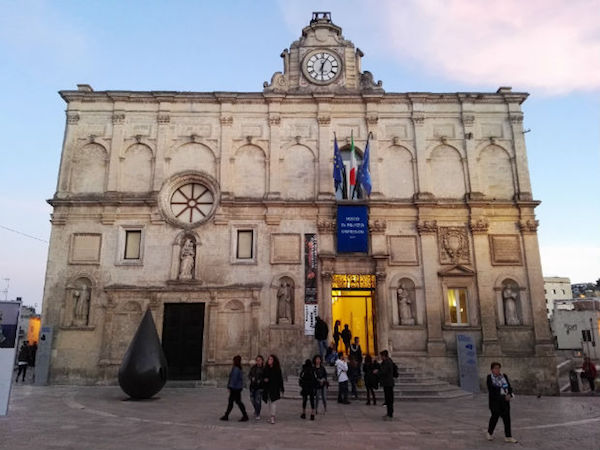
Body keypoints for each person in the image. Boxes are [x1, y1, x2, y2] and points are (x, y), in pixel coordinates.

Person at [486, 362, 518, 443]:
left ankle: (508, 436)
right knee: (494, 417)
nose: (497, 370)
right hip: (495, 401)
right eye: (495, 368)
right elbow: (491, 390)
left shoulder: (504, 376)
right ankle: (489, 433)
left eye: (498, 368)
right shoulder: (489, 378)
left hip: (505, 401)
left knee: (507, 419)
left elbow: (509, 387)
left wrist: (510, 394)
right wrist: (503, 395)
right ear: (492, 369)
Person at [220, 355, 249, 421]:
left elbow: (234, 379)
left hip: (235, 389)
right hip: (237, 388)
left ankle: (244, 415)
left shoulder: (236, 369)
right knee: (234, 402)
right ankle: (226, 415)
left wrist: (230, 387)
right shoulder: (239, 368)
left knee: (236, 402)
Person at [262, 354, 284, 424]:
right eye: (269, 359)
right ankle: (270, 416)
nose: (269, 360)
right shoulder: (266, 369)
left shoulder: (277, 369)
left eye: (271, 359)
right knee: (269, 402)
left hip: (274, 388)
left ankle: (272, 417)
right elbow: (263, 377)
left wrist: (281, 388)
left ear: (274, 361)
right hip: (267, 388)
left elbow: (280, 379)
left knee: (273, 402)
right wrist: (264, 380)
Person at [378, 350, 395, 420]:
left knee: (389, 399)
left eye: (381, 356)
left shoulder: (387, 362)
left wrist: (378, 371)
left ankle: (390, 414)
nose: (381, 357)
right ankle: (389, 413)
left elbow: (384, 371)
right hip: (388, 382)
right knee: (388, 399)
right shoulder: (389, 361)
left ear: (384, 356)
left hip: (388, 383)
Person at [248, 355, 265, 420]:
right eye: (257, 360)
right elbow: (249, 375)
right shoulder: (253, 368)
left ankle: (258, 413)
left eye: (259, 360)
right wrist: (251, 378)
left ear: (262, 361)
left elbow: (265, 377)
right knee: (252, 400)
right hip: (252, 386)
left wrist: (260, 380)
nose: (258, 361)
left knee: (257, 400)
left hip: (260, 387)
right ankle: (256, 410)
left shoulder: (264, 369)